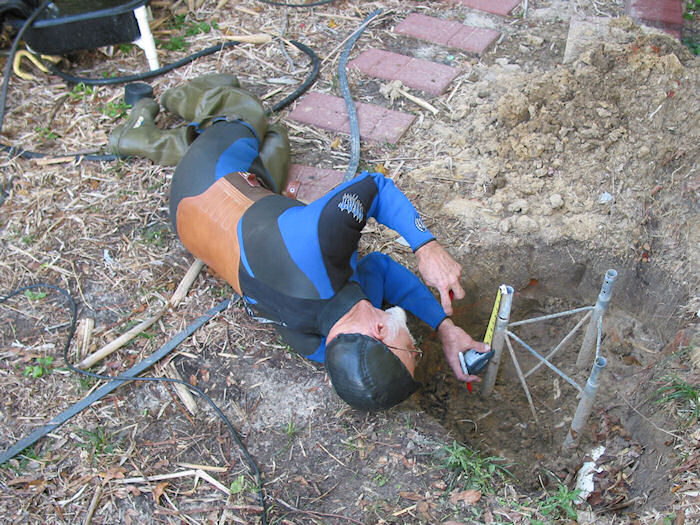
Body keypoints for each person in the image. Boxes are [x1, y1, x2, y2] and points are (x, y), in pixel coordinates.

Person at [111, 74, 490, 411]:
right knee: (272, 139)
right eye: (417, 349)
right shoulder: (323, 344)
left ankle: (151, 121)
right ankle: (180, 116)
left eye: (412, 348)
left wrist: (427, 247)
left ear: (377, 332)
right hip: (240, 213)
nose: (414, 344)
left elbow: (376, 185)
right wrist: (444, 325)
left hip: (203, 189)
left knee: (248, 114)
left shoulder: (315, 245)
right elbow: (381, 272)